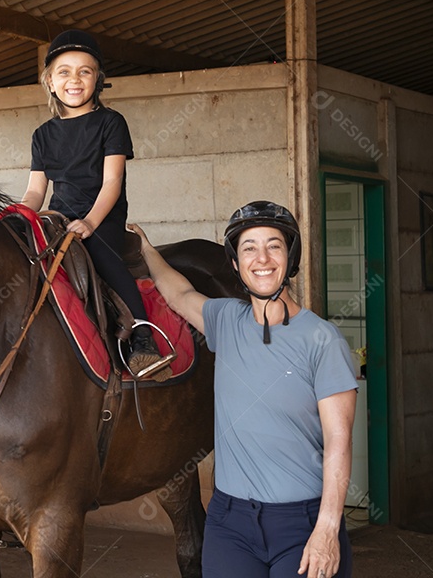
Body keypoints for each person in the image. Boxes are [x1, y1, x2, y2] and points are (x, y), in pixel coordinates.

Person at [130, 201, 358, 577]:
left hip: (301, 523)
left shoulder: (322, 340)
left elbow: (339, 441)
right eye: (249, 247)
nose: (262, 258)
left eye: (274, 245)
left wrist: (327, 529)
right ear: (236, 264)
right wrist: (148, 250)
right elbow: (179, 295)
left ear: (290, 257)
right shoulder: (226, 321)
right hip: (229, 524)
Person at [21, 29, 174, 381]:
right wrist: (20, 214)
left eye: (84, 71)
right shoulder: (42, 135)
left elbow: (112, 182)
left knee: (102, 255)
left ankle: (143, 338)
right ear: (49, 81)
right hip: (59, 216)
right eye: (64, 72)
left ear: (98, 80)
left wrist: (90, 222)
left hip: (100, 217)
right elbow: (35, 190)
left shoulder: (111, 123)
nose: (74, 80)